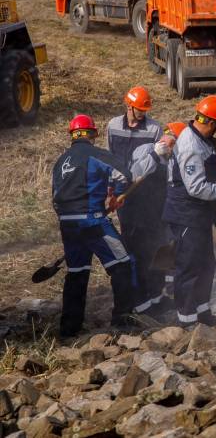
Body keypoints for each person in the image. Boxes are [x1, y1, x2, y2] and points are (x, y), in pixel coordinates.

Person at [52, 115, 136, 337]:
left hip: (67, 224)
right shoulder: (96, 154)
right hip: (93, 221)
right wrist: (117, 196)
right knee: (123, 264)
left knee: (77, 272)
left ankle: (69, 329)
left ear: (72, 135)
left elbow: (55, 196)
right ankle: (123, 321)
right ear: (93, 134)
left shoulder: (61, 161)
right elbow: (125, 175)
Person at [163, 96, 216, 326]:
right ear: (212, 123)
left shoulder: (201, 141)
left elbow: (209, 181)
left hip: (199, 215)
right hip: (187, 215)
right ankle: (187, 320)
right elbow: (197, 187)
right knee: (189, 267)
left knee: (207, 264)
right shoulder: (191, 146)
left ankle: (203, 311)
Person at [105, 86, 163, 314]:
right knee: (129, 240)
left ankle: (150, 290)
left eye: (145, 109)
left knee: (148, 243)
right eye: (139, 109)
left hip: (146, 194)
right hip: (122, 194)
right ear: (128, 106)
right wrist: (111, 189)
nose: (142, 113)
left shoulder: (154, 129)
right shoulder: (113, 126)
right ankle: (134, 289)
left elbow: (157, 165)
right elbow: (110, 157)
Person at [129, 121, 186, 313]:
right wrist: (154, 155)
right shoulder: (144, 150)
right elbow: (134, 174)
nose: (173, 149)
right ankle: (141, 305)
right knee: (142, 259)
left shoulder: (173, 159)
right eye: (173, 143)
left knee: (159, 257)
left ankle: (157, 298)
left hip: (159, 215)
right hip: (139, 215)